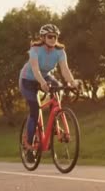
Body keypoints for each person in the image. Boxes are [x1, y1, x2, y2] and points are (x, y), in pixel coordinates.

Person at [18, 23, 80, 162]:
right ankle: (29, 145)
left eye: (55, 37)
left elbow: (65, 69)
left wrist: (72, 82)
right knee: (35, 110)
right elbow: (35, 69)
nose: (53, 39)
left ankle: (55, 123)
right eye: (50, 36)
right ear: (43, 37)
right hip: (28, 80)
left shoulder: (60, 51)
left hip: (45, 77)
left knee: (57, 88)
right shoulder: (35, 49)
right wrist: (41, 82)